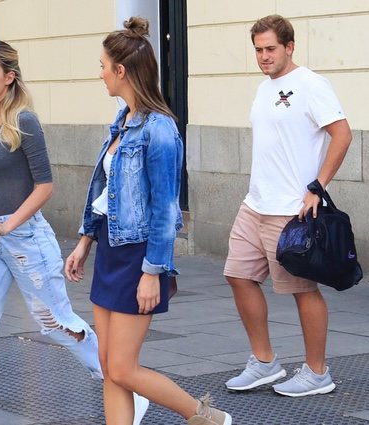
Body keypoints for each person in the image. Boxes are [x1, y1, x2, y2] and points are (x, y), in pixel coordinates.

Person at [0, 40, 148, 425]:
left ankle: (122, 389)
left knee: (57, 324)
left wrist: (7, 223)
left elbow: (45, 187)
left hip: (27, 237)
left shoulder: (24, 121)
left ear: (9, 77)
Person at [64, 17, 232, 425]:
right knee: (109, 365)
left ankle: (206, 417)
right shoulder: (122, 122)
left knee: (122, 367)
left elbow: (164, 209)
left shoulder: (159, 129)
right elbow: (105, 192)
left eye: (103, 65)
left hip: (138, 254)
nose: (100, 72)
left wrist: (152, 272)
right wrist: (85, 242)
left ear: (121, 71)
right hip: (110, 247)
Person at [223, 14, 352, 398]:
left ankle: (317, 373)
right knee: (238, 276)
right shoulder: (265, 88)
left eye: (270, 49)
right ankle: (264, 362)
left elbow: (341, 134)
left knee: (301, 289)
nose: (263, 56)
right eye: (258, 50)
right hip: (255, 203)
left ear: (289, 47)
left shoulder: (312, 85)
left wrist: (317, 186)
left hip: (290, 210)